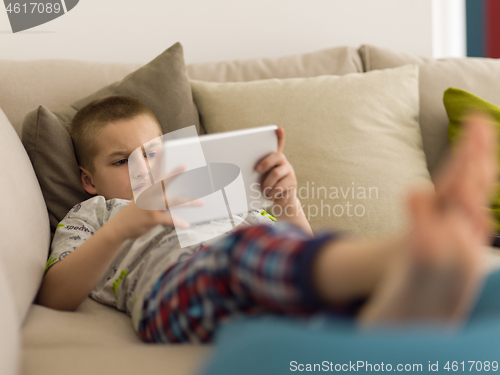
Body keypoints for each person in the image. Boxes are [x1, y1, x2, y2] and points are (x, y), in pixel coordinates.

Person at [37, 95, 498, 343]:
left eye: (155, 154)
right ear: (89, 179)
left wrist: (287, 203)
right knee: (240, 254)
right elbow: (56, 293)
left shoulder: (223, 194)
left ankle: (395, 302)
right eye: (121, 162)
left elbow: (299, 249)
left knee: (278, 252)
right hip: (174, 294)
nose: (144, 170)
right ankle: (406, 253)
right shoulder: (96, 212)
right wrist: (126, 224)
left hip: (266, 282)